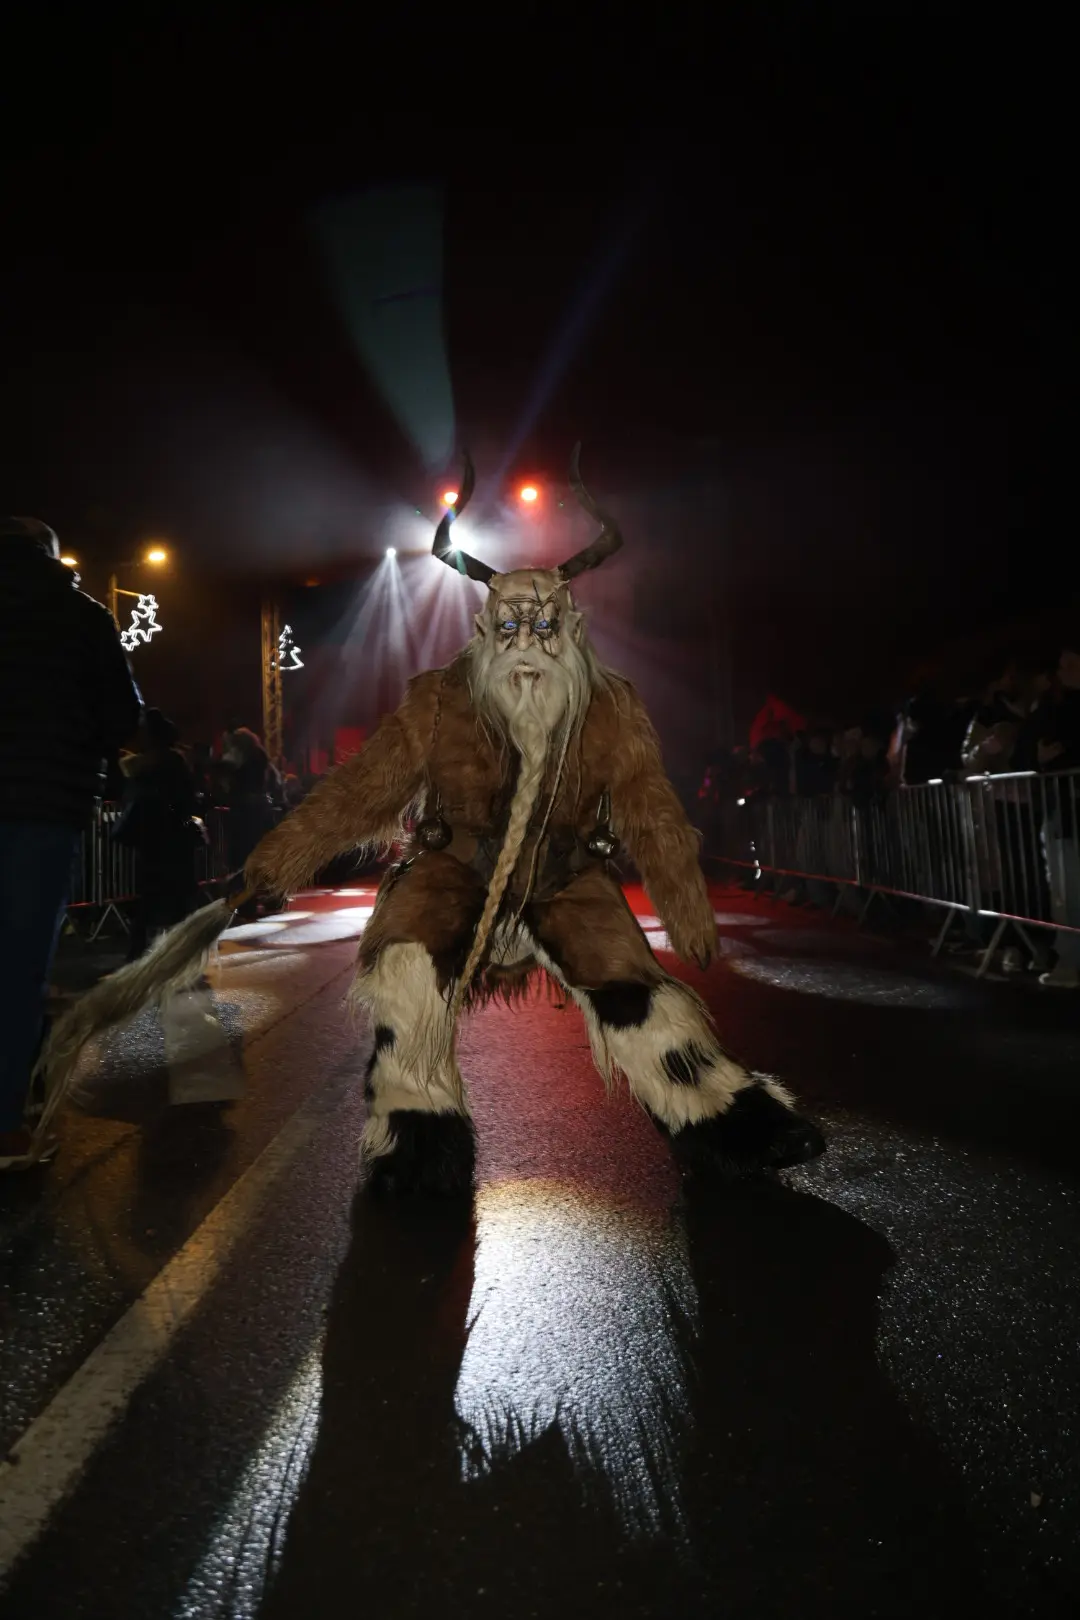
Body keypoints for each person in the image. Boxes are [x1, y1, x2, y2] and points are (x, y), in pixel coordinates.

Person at [38, 452, 826, 1189]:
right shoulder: (439, 700)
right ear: (483, 630)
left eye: (545, 626)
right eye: (510, 626)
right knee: (405, 971)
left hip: (564, 875)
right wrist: (281, 856)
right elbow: (362, 790)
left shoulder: (608, 707)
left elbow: (649, 805)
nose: (527, 642)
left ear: (572, 631)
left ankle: (725, 1119)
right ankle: (415, 1136)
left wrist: (682, 897)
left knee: (634, 990)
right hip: (451, 867)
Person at [0, 516, 141, 1170]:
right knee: (19, 962)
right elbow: (122, 714)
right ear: (51, 556)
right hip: (41, 803)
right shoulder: (79, 614)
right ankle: (7, 1127)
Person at [117, 708, 204, 960]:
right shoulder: (174, 762)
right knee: (179, 896)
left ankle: (138, 952)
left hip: (155, 838)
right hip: (174, 838)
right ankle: (185, 950)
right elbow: (188, 800)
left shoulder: (145, 766)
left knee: (150, 896)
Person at [1036, 641, 1080, 988]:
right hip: (1064, 811)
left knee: (1067, 891)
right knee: (1065, 890)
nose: (1062, 672)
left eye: (1070, 664)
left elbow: (1048, 754)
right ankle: (1069, 961)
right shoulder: (1057, 707)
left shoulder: (1063, 710)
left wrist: (1054, 758)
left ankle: (1071, 963)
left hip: (1068, 811)